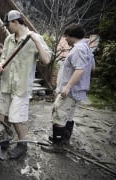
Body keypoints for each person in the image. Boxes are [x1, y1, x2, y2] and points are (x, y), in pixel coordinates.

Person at [0, 10, 51, 158]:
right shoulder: (8, 39)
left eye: (9, 24)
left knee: (16, 118)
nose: (7, 27)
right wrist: (0, 65)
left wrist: (36, 40)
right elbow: (4, 57)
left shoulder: (34, 38)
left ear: (16, 22)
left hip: (21, 87)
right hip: (7, 84)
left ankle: (23, 144)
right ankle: (5, 139)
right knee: (4, 114)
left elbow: (46, 60)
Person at [41, 23, 95, 153]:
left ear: (72, 36)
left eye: (66, 37)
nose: (65, 39)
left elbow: (80, 69)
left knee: (59, 114)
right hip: (78, 90)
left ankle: (57, 144)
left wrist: (67, 87)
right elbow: (92, 67)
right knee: (68, 115)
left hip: (70, 91)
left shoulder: (78, 49)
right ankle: (63, 139)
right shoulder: (87, 48)